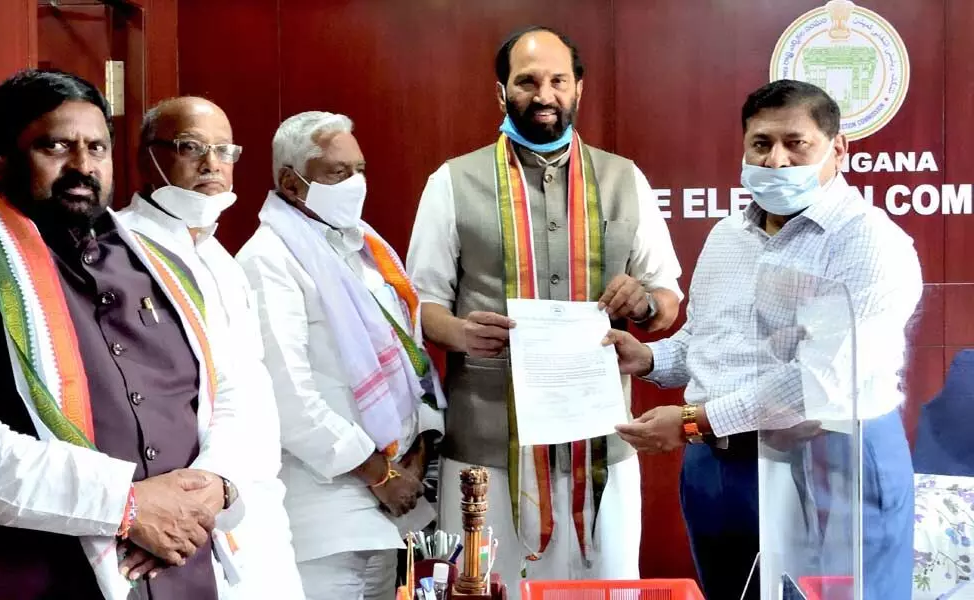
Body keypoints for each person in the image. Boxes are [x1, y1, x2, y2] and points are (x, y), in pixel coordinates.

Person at [605, 79, 920, 600]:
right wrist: (646, 358)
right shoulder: (727, 237)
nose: (776, 161)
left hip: (830, 463)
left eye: (796, 143)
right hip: (719, 467)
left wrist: (691, 422)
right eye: (761, 144)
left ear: (837, 148)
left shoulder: (870, 243)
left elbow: (818, 383)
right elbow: (706, 343)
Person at [405, 25, 683, 589]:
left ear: (578, 88)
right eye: (527, 81)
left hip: (601, 443)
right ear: (502, 92)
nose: (544, 94)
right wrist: (458, 334)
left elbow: (668, 302)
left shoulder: (625, 179)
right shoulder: (452, 182)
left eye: (558, 80)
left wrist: (645, 301)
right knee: (489, 589)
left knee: (604, 589)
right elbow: (421, 306)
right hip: (486, 449)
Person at [0, 69, 249, 600]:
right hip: (44, 576)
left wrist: (214, 485)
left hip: (183, 571)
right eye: (56, 146)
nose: (82, 166)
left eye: (97, 147)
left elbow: (230, 398)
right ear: (0, 158)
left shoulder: (163, 263)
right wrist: (128, 505)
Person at [237, 111, 444, 600]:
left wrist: (414, 456)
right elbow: (289, 400)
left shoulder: (365, 250)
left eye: (361, 169)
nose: (356, 184)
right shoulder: (268, 260)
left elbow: (409, 357)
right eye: (337, 173)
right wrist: (379, 474)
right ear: (291, 181)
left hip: (389, 507)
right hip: (323, 511)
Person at [116, 96, 304, 600]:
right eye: (191, 147)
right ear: (147, 157)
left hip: (245, 498)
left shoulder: (222, 258)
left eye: (225, 151)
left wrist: (223, 482)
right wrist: (199, 495)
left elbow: (247, 390)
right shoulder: (118, 249)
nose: (211, 164)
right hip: (171, 508)